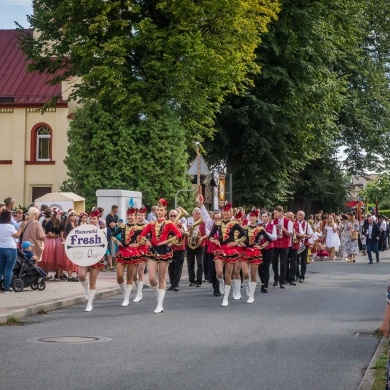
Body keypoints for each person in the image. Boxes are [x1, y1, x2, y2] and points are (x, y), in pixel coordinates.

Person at [138, 198, 182, 313]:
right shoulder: (151, 224)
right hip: (153, 251)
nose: (159, 211)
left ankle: (160, 304)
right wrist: (146, 241)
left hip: (164, 252)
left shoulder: (169, 223)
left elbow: (179, 234)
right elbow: (141, 236)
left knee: (162, 278)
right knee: (152, 278)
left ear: (165, 211)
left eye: (161, 210)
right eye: (157, 209)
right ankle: (158, 293)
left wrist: (167, 241)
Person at [207, 203, 246, 307]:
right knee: (219, 272)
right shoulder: (217, 224)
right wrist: (215, 240)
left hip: (231, 250)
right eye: (224, 211)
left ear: (231, 212)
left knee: (228, 274)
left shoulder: (234, 224)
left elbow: (244, 235)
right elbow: (210, 237)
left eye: (227, 211)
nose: (225, 213)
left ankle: (225, 298)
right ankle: (220, 281)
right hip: (220, 250)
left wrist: (236, 242)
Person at [111, 207, 141, 306]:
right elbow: (112, 235)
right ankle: (124, 291)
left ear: (135, 216)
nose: (130, 217)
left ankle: (126, 298)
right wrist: (117, 241)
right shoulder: (122, 226)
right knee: (119, 276)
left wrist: (138, 244)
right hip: (122, 252)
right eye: (128, 215)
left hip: (132, 253)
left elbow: (146, 238)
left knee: (130, 276)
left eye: (131, 215)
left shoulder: (139, 228)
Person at [242, 209, 272, 303]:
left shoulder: (260, 229)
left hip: (255, 252)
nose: (252, 218)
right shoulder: (244, 228)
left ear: (256, 218)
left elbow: (269, 239)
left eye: (254, 217)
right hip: (246, 251)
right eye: (250, 217)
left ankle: (251, 295)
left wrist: (261, 246)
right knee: (246, 273)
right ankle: (248, 285)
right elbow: (238, 237)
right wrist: (240, 243)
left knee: (253, 273)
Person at [78, 209, 105, 312]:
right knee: (81, 275)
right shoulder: (82, 229)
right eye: (91, 218)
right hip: (84, 257)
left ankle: (89, 303)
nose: (92, 220)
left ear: (98, 219)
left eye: (94, 218)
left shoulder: (102, 231)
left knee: (93, 280)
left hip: (96, 257)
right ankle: (86, 288)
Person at [272, 206, 293, 289]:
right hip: (275, 244)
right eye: (274, 213)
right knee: (274, 263)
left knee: (283, 263)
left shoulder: (288, 222)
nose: (275, 214)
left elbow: (290, 234)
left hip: (284, 244)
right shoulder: (274, 221)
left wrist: (284, 230)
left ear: (281, 212)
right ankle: (276, 278)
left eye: (276, 213)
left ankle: (282, 280)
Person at [0, 209, 20, 292]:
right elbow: (16, 236)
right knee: (8, 269)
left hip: (1, 248)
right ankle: (6, 288)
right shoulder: (11, 227)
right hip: (11, 248)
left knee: (0, 269)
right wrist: (21, 228)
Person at [168, 209, 187, 292]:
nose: (173, 218)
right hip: (170, 249)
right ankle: (172, 284)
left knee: (178, 268)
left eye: (175, 216)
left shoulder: (182, 225)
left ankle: (176, 285)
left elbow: (188, 233)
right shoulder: (166, 225)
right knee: (171, 267)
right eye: (171, 216)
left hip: (180, 249)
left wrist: (181, 231)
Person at [186, 207, 206, 287]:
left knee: (200, 263)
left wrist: (202, 238)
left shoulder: (203, 222)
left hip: (200, 245)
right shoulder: (189, 221)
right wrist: (188, 229)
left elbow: (207, 233)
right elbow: (184, 231)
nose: (198, 215)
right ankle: (192, 280)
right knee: (190, 263)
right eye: (197, 213)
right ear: (193, 214)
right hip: (190, 245)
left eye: (199, 213)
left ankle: (199, 281)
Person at [133, 206, 149, 302]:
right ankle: (140, 288)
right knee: (133, 275)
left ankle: (138, 294)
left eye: (142, 215)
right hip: (134, 250)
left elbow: (150, 238)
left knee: (140, 271)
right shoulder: (133, 227)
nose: (140, 217)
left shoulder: (147, 227)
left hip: (143, 249)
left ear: (144, 216)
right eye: (138, 215)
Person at [258, 210, 277, 293]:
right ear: (261, 217)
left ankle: (265, 285)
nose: (264, 218)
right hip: (260, 248)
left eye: (266, 217)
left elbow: (274, 237)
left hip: (269, 248)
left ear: (269, 217)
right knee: (260, 267)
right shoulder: (258, 226)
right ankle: (262, 282)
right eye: (263, 217)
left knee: (266, 266)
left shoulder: (272, 226)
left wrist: (265, 233)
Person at [296, 210, 313, 282]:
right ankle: (296, 274)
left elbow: (310, 234)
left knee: (303, 260)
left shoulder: (306, 224)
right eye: (298, 215)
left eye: (301, 215)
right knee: (295, 261)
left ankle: (302, 276)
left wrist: (305, 236)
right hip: (296, 244)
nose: (299, 216)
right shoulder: (294, 223)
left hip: (304, 244)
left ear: (303, 216)